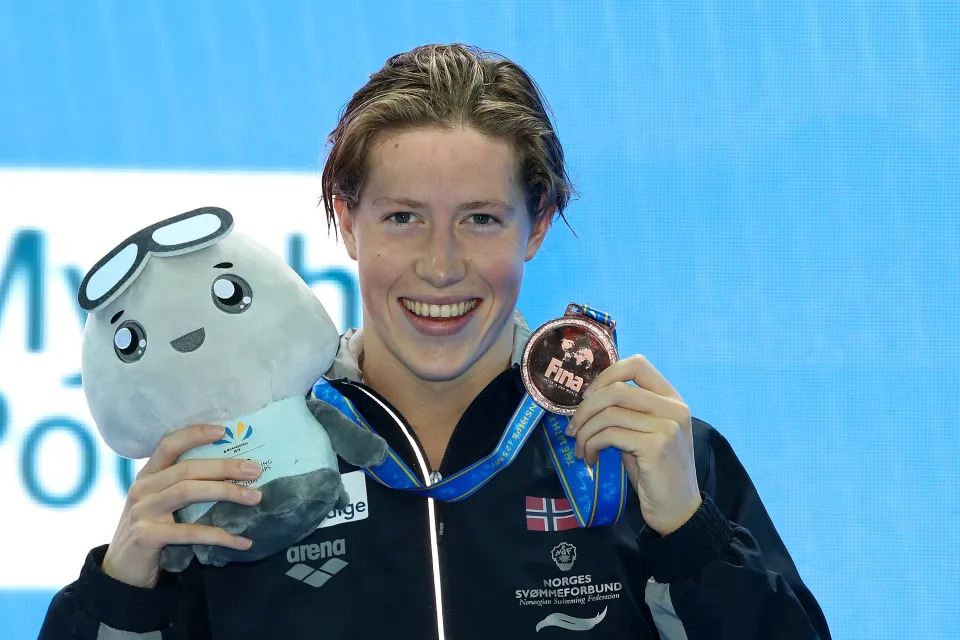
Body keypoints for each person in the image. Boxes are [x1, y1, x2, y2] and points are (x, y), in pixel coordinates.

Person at [40, 44, 831, 639]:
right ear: (347, 222)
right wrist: (121, 593)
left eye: (481, 218)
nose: (441, 266)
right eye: (403, 217)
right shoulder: (241, 475)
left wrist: (690, 537)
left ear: (538, 226)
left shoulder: (642, 456)